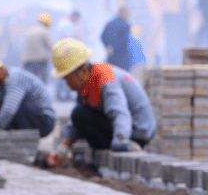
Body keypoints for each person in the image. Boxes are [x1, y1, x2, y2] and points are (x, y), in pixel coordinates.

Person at [48, 38, 155, 166]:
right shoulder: (86, 84)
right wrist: (62, 149)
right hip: (128, 128)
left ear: (82, 71)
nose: (68, 84)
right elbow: (74, 124)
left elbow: (120, 113)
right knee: (80, 116)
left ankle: (121, 151)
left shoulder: (106, 81)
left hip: (138, 131)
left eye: (68, 79)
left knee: (81, 115)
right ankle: (106, 156)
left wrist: (121, 140)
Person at [0, 53, 56, 137]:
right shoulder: (0, 88)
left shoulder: (14, 77)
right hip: (33, 118)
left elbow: (9, 110)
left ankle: (25, 139)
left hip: (44, 120)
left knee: (11, 102)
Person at [21, 12, 53, 83]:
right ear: (47, 23)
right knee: (41, 83)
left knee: (29, 82)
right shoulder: (44, 31)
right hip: (40, 61)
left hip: (27, 61)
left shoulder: (29, 31)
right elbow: (51, 47)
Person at [101, 7, 132, 72]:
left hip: (111, 57)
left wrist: (108, 47)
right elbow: (124, 41)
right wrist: (115, 48)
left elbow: (102, 36)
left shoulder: (109, 23)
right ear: (124, 13)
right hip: (122, 57)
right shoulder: (125, 25)